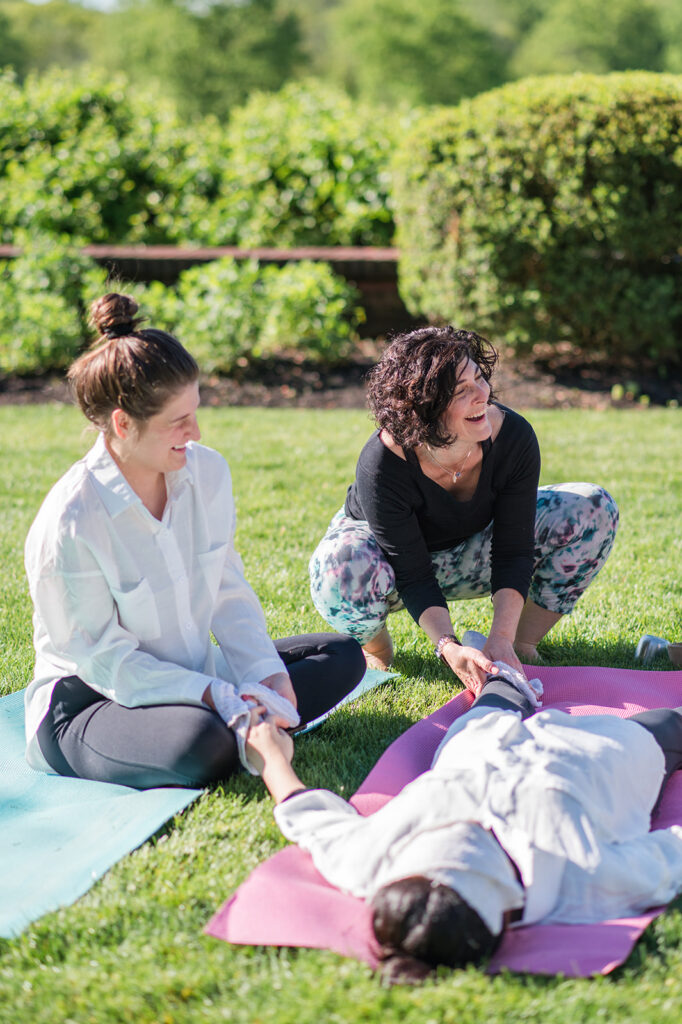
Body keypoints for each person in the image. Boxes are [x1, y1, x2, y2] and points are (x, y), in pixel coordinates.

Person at [23, 293, 365, 790]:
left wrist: (264, 675)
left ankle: (244, 720)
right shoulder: (70, 522)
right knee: (202, 743)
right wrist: (211, 694)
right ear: (123, 424)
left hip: (196, 675)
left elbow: (227, 589)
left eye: (195, 411)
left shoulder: (208, 472)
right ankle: (235, 728)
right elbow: (105, 661)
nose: (196, 431)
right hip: (94, 698)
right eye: (177, 421)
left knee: (339, 657)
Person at [246, 671, 682, 984]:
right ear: (506, 912)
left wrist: (269, 752)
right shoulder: (582, 880)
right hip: (602, 754)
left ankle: (509, 684)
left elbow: (309, 817)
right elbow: (672, 851)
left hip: (480, 741)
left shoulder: (371, 862)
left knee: (499, 684)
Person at [309, 326, 619, 693]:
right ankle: (377, 646)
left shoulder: (513, 436)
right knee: (339, 571)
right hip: (387, 565)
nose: (482, 395)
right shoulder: (383, 462)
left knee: (592, 508)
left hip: (471, 551)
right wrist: (448, 646)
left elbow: (514, 548)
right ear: (423, 411)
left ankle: (519, 644)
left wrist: (500, 636)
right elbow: (412, 572)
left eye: (479, 378)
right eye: (461, 391)